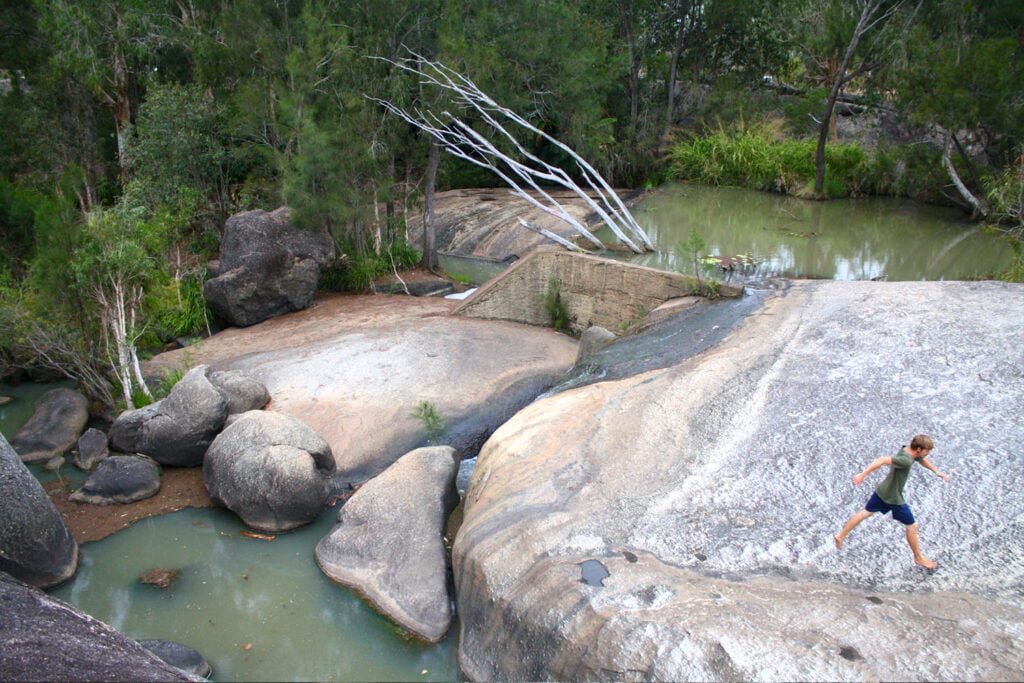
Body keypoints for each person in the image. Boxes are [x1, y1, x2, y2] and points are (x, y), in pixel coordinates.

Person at [833, 434, 950, 569]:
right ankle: (918, 558)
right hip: (893, 498)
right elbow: (882, 460)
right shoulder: (905, 460)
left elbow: (921, 459)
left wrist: (937, 472)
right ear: (919, 449)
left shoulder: (907, 450)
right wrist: (862, 475)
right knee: (912, 526)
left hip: (882, 491)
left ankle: (840, 536)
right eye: (927, 451)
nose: (928, 453)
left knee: (865, 512)